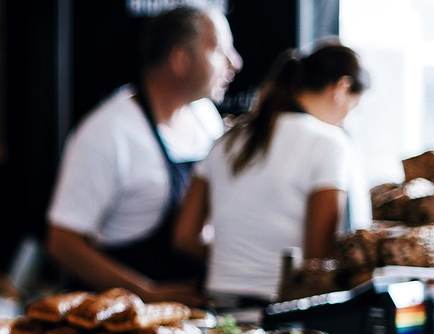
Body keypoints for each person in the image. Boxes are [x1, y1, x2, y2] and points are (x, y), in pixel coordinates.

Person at [47, 4, 241, 304]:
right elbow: (63, 243)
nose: (235, 62)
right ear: (180, 59)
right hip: (123, 317)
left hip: (196, 311)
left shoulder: (205, 117)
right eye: (219, 50)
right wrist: (146, 293)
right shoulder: (108, 133)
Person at [173, 42, 370, 304]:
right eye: (353, 108)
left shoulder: (227, 140)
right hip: (283, 308)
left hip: (219, 303)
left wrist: (236, 260)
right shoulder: (330, 143)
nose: (346, 118)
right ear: (341, 88)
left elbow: (184, 237)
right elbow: (318, 258)